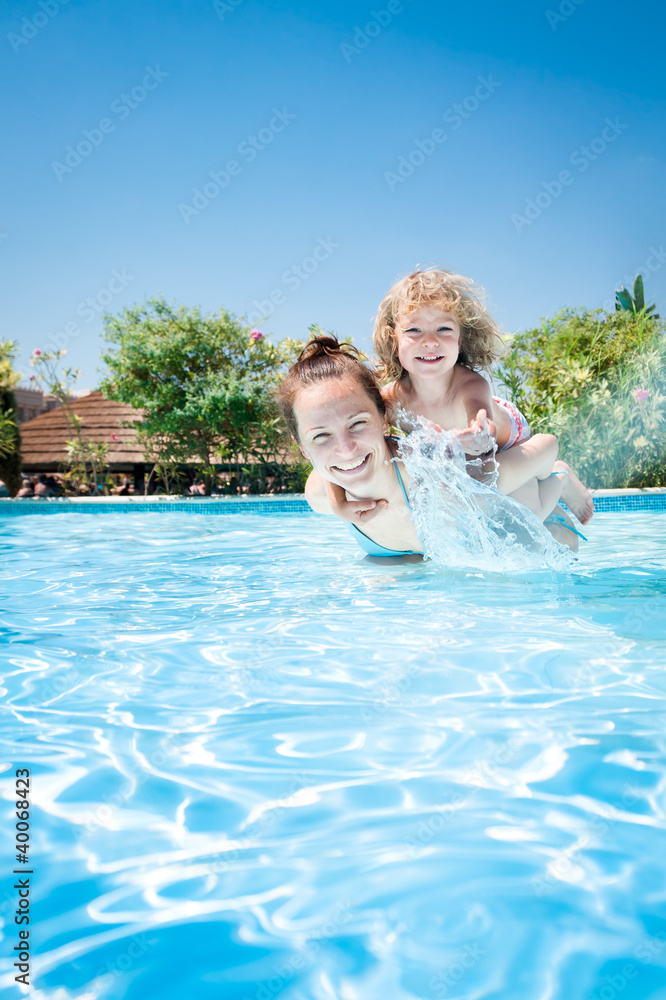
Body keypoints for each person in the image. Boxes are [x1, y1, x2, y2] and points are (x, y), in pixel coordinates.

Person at [279, 335, 581, 556]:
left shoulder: (440, 480)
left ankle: (561, 477)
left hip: (536, 516)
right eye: (321, 436)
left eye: (357, 424)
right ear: (302, 447)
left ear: (384, 419)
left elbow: (546, 444)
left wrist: (554, 474)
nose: (345, 448)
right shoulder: (321, 495)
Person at [371, 267, 594, 526]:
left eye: (443, 328)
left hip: (508, 438)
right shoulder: (392, 399)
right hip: (472, 456)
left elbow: (482, 421)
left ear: (460, 338)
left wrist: (476, 432)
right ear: (393, 338)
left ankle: (559, 474)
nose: (430, 341)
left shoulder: (469, 384)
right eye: (414, 331)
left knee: (527, 517)